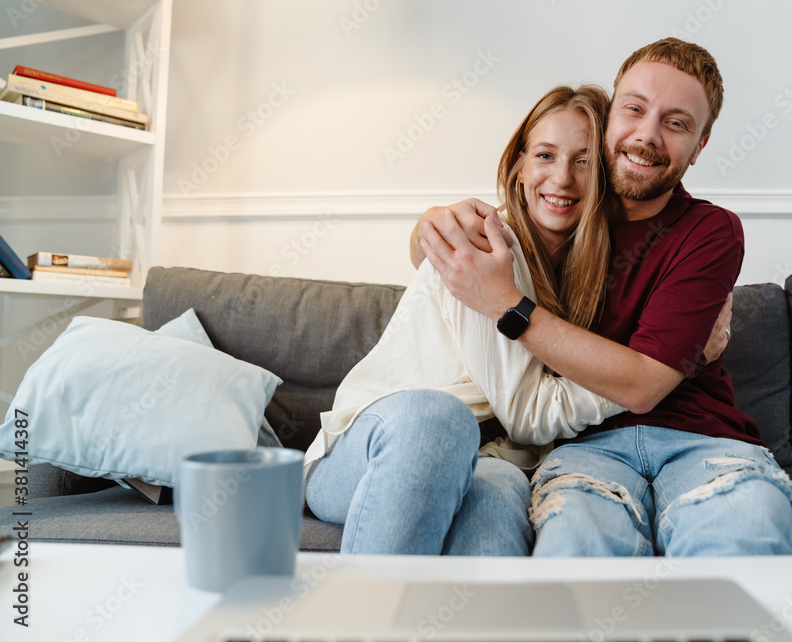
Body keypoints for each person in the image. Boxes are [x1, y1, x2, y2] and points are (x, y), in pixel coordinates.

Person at [415, 38, 792, 557]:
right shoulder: (564, 213)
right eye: (634, 109)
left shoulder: (709, 231)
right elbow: (463, 247)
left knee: (747, 528)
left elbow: (644, 386)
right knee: (576, 548)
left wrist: (510, 306)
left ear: (700, 144)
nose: (647, 136)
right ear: (608, 118)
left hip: (704, 442)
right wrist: (428, 224)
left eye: (676, 123)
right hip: (585, 450)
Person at [303, 85, 730, 555]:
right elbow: (530, 416)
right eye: (545, 155)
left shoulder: (598, 268)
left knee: (498, 500)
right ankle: (369, 622)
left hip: (494, 458)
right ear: (519, 166)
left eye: (584, 161)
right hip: (376, 450)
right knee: (441, 418)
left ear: (606, 176)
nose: (562, 179)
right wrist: (656, 371)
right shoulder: (481, 247)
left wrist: (672, 347)